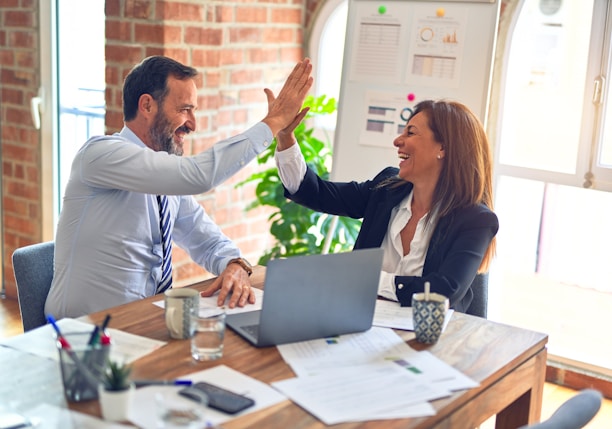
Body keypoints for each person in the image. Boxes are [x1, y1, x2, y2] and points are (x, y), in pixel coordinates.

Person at [45, 55, 313, 319]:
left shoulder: (164, 180)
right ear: (147, 106)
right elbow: (199, 176)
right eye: (185, 109)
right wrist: (274, 122)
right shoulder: (100, 155)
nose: (193, 124)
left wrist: (235, 264)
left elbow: (206, 239)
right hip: (82, 335)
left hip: (143, 324)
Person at [274, 99, 498, 313]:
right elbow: (316, 193)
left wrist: (367, 279)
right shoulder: (386, 189)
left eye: (410, 132)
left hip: (430, 340)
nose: (398, 141)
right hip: (360, 323)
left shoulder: (476, 220)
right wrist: (285, 137)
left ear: (443, 148)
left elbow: (443, 292)